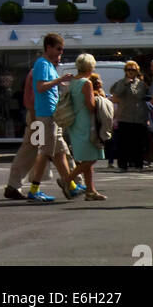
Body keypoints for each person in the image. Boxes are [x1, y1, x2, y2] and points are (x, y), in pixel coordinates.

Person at [26, 33, 79, 203]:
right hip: (46, 115)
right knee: (45, 153)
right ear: (48, 47)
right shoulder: (42, 64)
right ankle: (34, 190)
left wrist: (64, 85)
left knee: (60, 152)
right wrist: (60, 80)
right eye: (58, 49)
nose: (60, 53)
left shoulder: (48, 64)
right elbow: (40, 87)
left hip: (52, 114)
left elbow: (49, 86)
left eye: (61, 50)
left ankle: (71, 186)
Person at [63, 54, 106, 200]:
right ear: (90, 66)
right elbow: (90, 106)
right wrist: (101, 100)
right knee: (92, 157)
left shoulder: (73, 81)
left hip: (76, 122)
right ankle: (67, 180)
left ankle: (90, 191)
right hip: (87, 122)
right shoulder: (86, 83)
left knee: (87, 158)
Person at [110, 61, 148, 171]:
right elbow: (116, 93)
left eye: (133, 70)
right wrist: (125, 83)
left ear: (137, 71)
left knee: (137, 142)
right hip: (124, 116)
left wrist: (131, 85)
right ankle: (123, 165)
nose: (130, 72)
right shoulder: (121, 82)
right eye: (128, 70)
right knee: (123, 143)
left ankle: (138, 164)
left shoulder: (140, 83)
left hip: (137, 117)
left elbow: (138, 94)